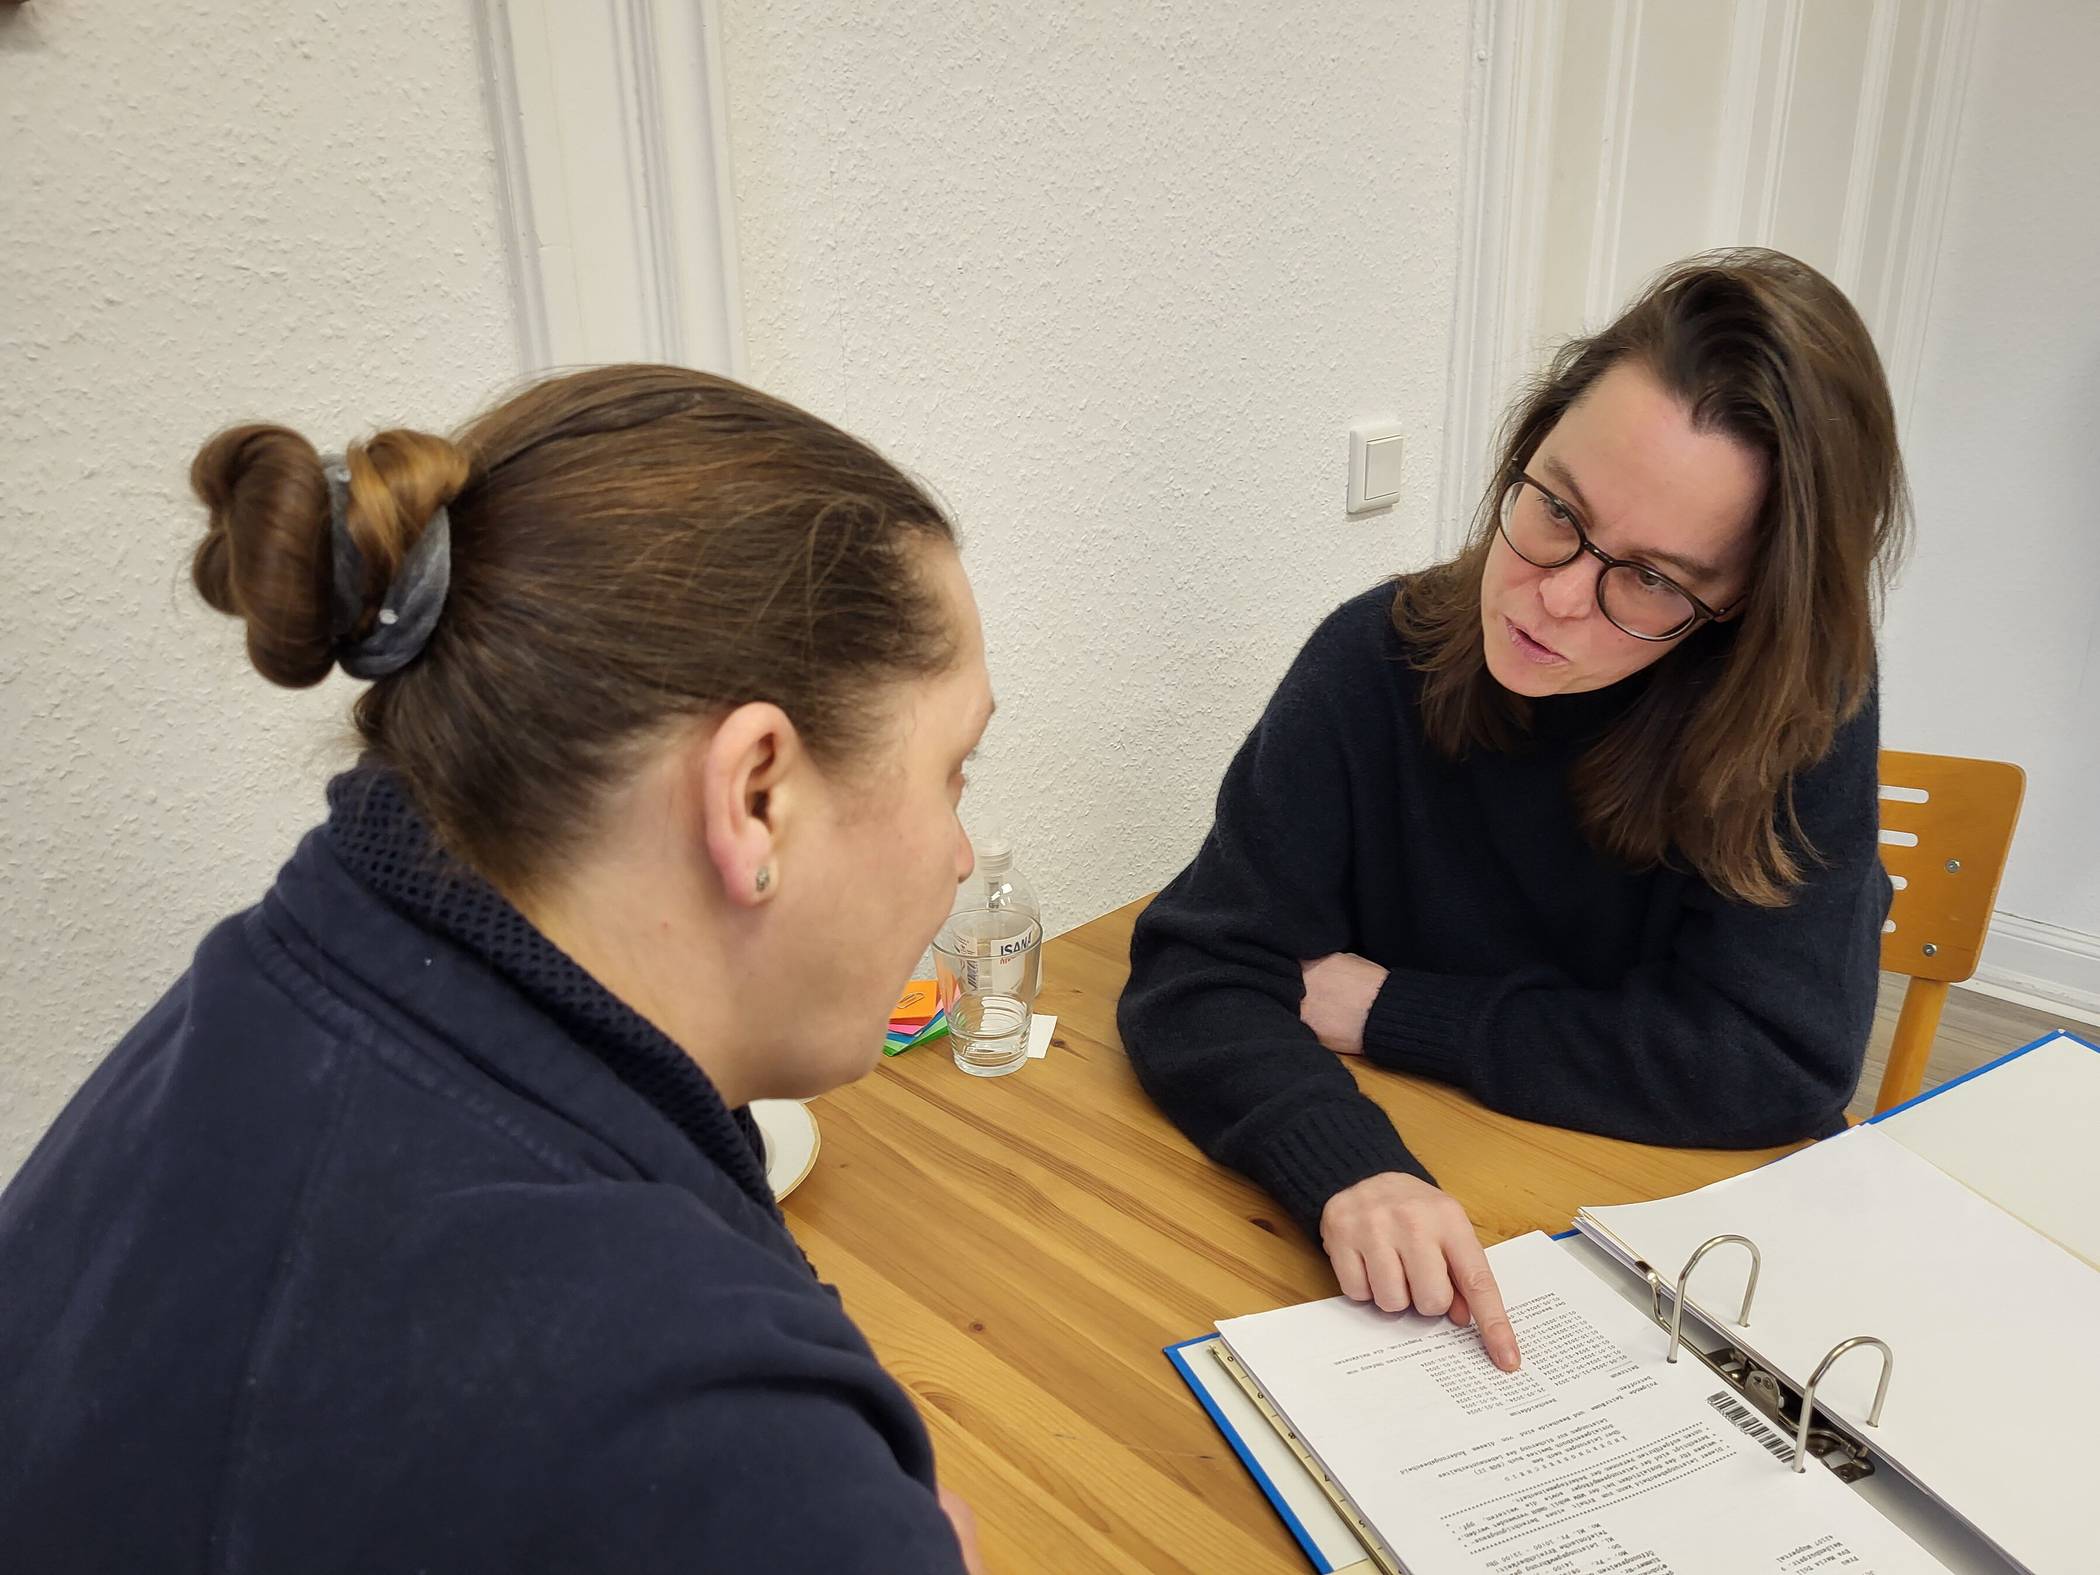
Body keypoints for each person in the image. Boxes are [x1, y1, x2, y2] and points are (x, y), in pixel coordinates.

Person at [0, 366, 993, 1573]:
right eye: (954, 771)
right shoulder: (693, 1429)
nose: (958, 853)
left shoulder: (265, 1000)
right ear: (756, 795)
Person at [1118, 249, 1906, 1372]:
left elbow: (1774, 1059)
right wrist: (1349, 1164)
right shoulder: (1372, 659)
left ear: (1742, 613)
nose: (1555, 595)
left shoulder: (1796, 721)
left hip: (1677, 1260)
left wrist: (1398, 1011)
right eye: (1554, 509)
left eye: (1653, 581)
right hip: (1433, 1229)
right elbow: (1200, 970)